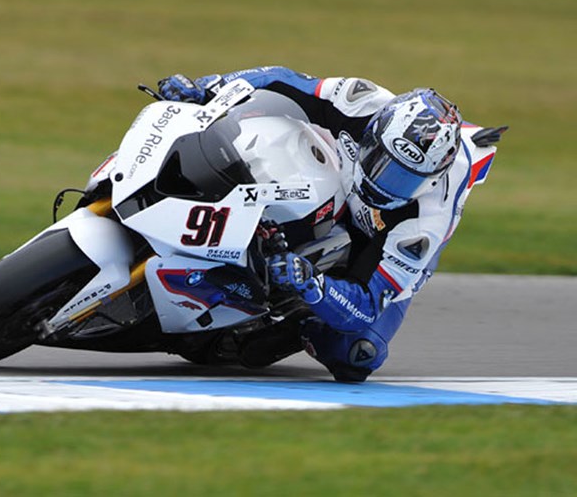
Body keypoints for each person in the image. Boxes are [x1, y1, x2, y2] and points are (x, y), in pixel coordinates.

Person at [157, 66, 506, 382]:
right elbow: (281, 79)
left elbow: (366, 304)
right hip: (331, 176)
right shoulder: (363, 102)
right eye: (381, 161)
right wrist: (209, 88)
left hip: (378, 240)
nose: (383, 181)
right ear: (375, 132)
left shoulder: (424, 223)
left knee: (358, 355)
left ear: (430, 180)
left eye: (403, 179)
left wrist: (313, 285)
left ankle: (299, 323)